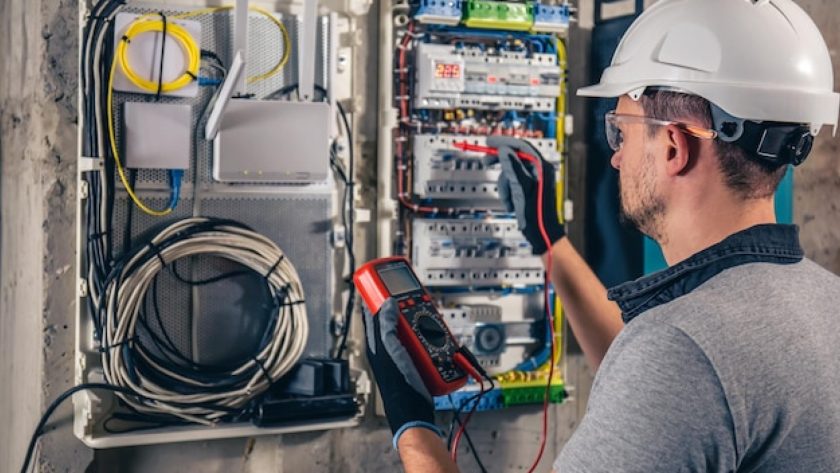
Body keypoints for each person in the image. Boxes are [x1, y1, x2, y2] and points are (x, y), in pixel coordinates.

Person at [362, 0, 840, 471]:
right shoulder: (823, 301)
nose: (616, 158)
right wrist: (549, 241)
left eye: (622, 132)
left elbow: (677, 374)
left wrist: (412, 424)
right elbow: (682, 393)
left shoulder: (681, 353)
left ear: (675, 146)